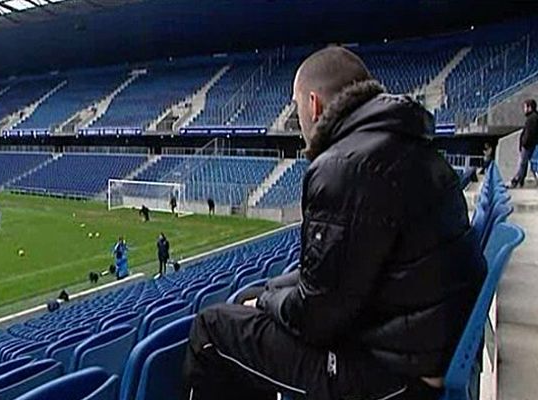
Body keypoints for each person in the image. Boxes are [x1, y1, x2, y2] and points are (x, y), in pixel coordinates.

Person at [182, 46, 487, 400]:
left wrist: (267, 304)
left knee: (211, 329)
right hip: (420, 348)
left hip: (394, 377)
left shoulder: (345, 166)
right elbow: (341, 280)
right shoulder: (408, 146)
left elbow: (316, 317)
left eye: (297, 110)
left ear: (314, 105)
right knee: (254, 296)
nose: (300, 125)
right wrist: (267, 293)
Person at [510, 99, 538, 188]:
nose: (524, 109)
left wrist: (524, 143)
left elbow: (529, 133)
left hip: (528, 146)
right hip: (529, 145)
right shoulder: (532, 117)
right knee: (524, 164)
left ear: (530, 108)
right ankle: (519, 181)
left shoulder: (532, 118)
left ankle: (516, 181)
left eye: (525, 107)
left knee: (522, 164)